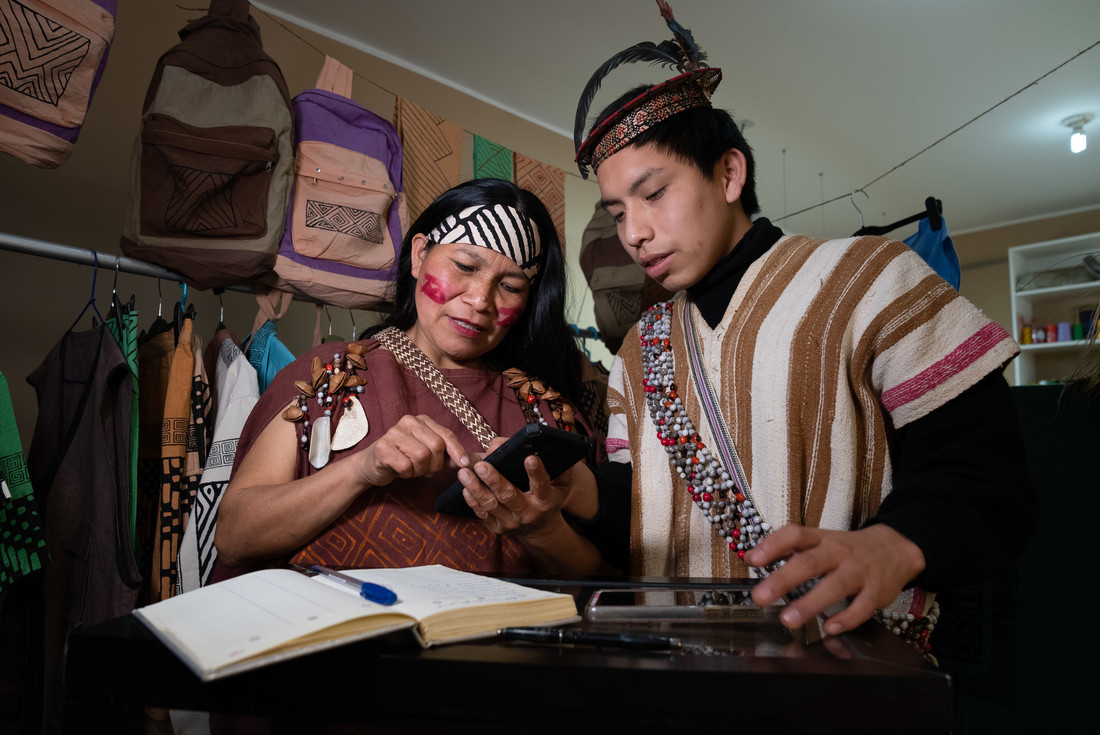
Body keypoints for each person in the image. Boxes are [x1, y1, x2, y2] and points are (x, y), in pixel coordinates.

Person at [561, 0, 1034, 647]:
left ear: (729, 172)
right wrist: (576, 490)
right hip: (674, 668)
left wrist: (893, 544)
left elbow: (989, 480)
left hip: (843, 665)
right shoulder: (639, 351)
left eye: (654, 192)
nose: (635, 231)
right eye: (617, 211)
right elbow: (642, 510)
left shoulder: (872, 279)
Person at [213, 178, 607, 580]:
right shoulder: (328, 379)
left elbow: (606, 582)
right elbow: (233, 538)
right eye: (465, 266)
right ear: (419, 255)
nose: (480, 300)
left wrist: (543, 532)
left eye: (509, 287)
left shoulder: (545, 411)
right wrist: (362, 468)